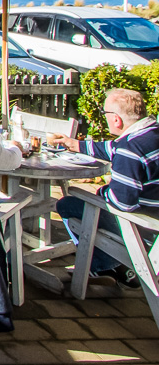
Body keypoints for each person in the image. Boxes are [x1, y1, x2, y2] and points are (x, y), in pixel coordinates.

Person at [51, 88, 159, 288]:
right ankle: (118, 269)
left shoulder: (131, 149)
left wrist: (102, 193)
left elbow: (122, 203)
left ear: (116, 119)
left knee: (68, 204)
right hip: (154, 219)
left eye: (105, 113)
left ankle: (101, 266)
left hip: (142, 230)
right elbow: (112, 148)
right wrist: (75, 145)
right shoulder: (150, 133)